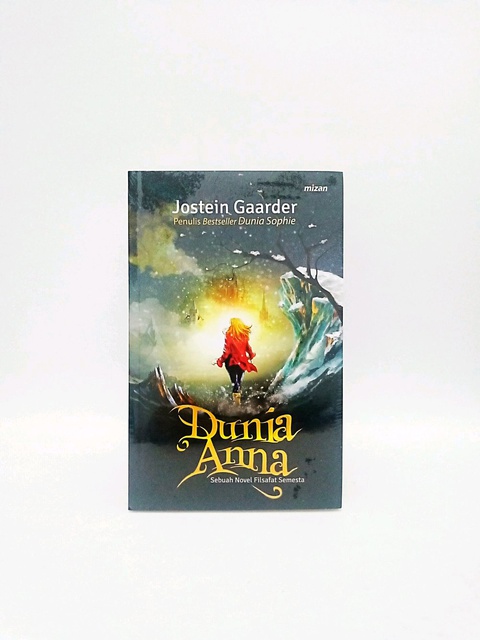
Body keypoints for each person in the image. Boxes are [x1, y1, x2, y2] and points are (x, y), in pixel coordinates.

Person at [216, 318, 257, 404]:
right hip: (242, 362)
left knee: (234, 382)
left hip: (231, 362)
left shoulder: (229, 335)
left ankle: (236, 402)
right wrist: (251, 355)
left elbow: (226, 352)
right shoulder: (244, 335)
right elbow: (248, 347)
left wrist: (220, 360)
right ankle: (238, 398)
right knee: (239, 381)